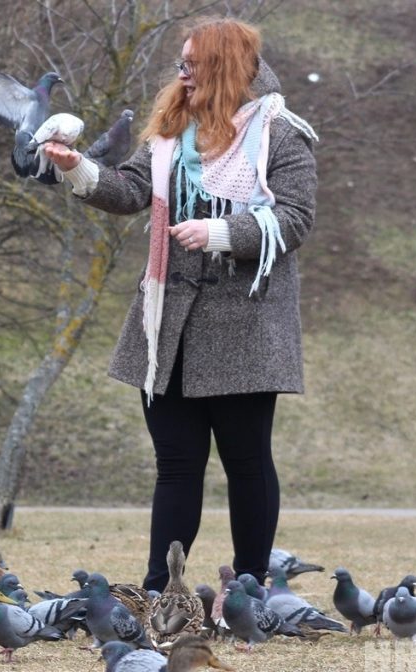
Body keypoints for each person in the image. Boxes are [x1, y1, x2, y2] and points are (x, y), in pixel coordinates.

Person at [44, 17, 318, 592]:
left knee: (245, 463)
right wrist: (78, 169)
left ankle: (249, 588)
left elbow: (295, 218)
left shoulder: (280, 133)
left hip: (245, 327)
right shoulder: (173, 128)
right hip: (165, 324)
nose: (183, 73)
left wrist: (221, 233)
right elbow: (132, 190)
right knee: (175, 465)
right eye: (181, 63)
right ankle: (156, 590)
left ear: (223, 66)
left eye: (193, 64)